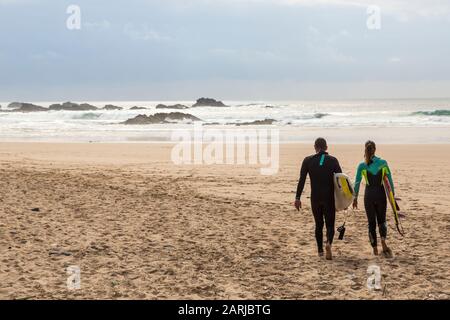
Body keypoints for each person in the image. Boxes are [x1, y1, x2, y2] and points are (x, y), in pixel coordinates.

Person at [295, 138, 342, 260]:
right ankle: (328, 244)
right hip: (328, 198)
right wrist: (343, 200)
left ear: (315, 147)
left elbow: (302, 180)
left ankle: (320, 250)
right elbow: (341, 180)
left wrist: (297, 197)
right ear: (326, 147)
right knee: (330, 224)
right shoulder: (333, 160)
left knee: (318, 224)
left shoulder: (307, 160)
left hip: (315, 198)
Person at [353, 141, 394, 258]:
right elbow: (390, 181)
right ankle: (383, 240)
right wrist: (392, 197)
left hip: (369, 195)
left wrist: (355, 198)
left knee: (371, 223)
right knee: (382, 220)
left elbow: (356, 183)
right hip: (380, 194)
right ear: (375, 149)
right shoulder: (383, 163)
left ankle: (375, 248)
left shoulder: (362, 165)